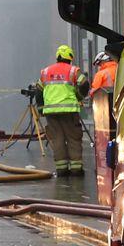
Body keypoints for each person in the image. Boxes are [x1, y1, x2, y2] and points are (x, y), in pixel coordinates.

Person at [38, 44, 89, 176]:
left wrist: (40, 108)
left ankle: (61, 169)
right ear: (70, 57)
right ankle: (76, 169)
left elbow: (38, 90)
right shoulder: (73, 71)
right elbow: (84, 84)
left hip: (51, 113)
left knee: (57, 139)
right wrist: (79, 96)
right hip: (69, 111)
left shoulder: (46, 71)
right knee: (73, 138)